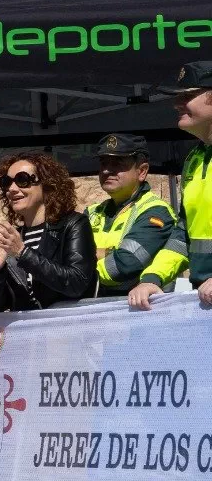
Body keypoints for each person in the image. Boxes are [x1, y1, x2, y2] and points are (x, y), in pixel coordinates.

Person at [133, 62, 212, 309]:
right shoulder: (194, 159)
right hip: (204, 300)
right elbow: (183, 234)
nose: (176, 104)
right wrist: (152, 278)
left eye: (187, 96)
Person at [0, 153, 95, 311]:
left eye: (22, 180)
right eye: (6, 182)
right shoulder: (15, 237)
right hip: (27, 333)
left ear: (47, 184)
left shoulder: (73, 224)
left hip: (65, 330)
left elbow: (76, 283)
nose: (12, 189)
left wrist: (23, 253)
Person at [87, 134, 175, 298]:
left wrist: (76, 270)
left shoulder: (156, 211)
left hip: (140, 314)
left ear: (142, 171)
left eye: (117, 164)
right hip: (94, 314)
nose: (106, 170)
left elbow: (124, 266)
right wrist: (107, 252)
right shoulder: (91, 212)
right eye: (103, 163)